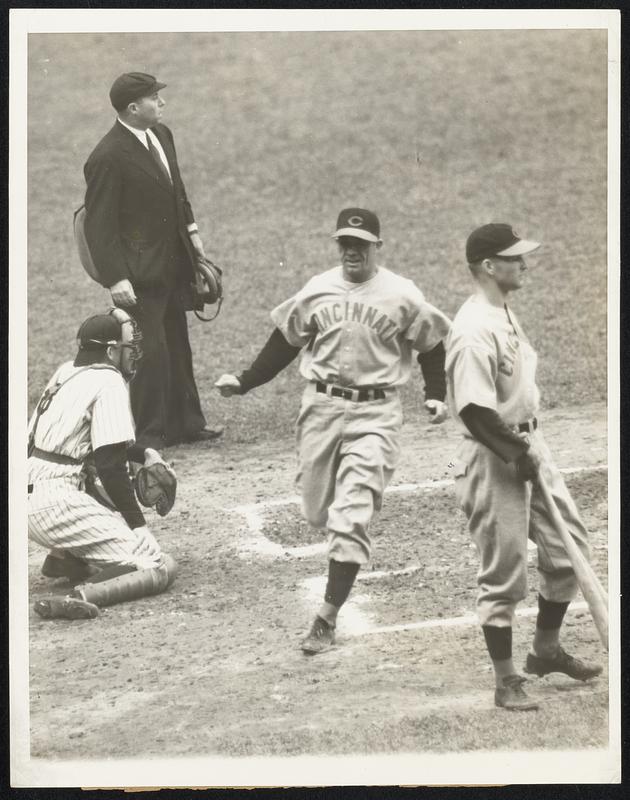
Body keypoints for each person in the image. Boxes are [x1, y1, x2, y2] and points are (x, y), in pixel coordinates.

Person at [215, 208, 451, 653]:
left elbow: (432, 343)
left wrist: (435, 393)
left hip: (376, 415)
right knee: (317, 511)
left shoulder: (402, 294)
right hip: (320, 409)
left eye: (360, 244)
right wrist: (245, 381)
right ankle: (340, 540)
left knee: (350, 516)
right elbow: (286, 339)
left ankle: (326, 617)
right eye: (345, 243)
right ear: (337, 245)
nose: (352, 252)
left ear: (376, 247)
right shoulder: (318, 288)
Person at [445, 222, 602, 710]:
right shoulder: (472, 330)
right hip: (494, 455)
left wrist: (529, 451)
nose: (524, 263)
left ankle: (546, 649)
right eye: (514, 257)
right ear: (489, 267)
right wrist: (517, 454)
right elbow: (473, 410)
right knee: (504, 568)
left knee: (568, 547)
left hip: (528, 443)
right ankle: (506, 679)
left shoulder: (503, 311)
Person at [83, 71, 223, 448]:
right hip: (139, 273)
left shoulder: (161, 135)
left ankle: (187, 424)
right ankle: (147, 435)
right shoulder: (107, 156)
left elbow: (177, 190)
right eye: (154, 98)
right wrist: (116, 279)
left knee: (177, 344)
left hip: (174, 263)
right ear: (133, 107)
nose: (161, 103)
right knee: (151, 352)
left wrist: (193, 236)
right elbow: (99, 226)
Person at [28, 308, 177, 620]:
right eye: (127, 347)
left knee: (90, 483)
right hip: (56, 502)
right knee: (155, 565)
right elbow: (109, 466)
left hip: (28, 494)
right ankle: (77, 596)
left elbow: (98, 446)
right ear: (111, 350)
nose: (133, 353)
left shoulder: (66, 371)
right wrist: (139, 526)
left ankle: (66, 558)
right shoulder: (109, 380)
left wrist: (146, 453)